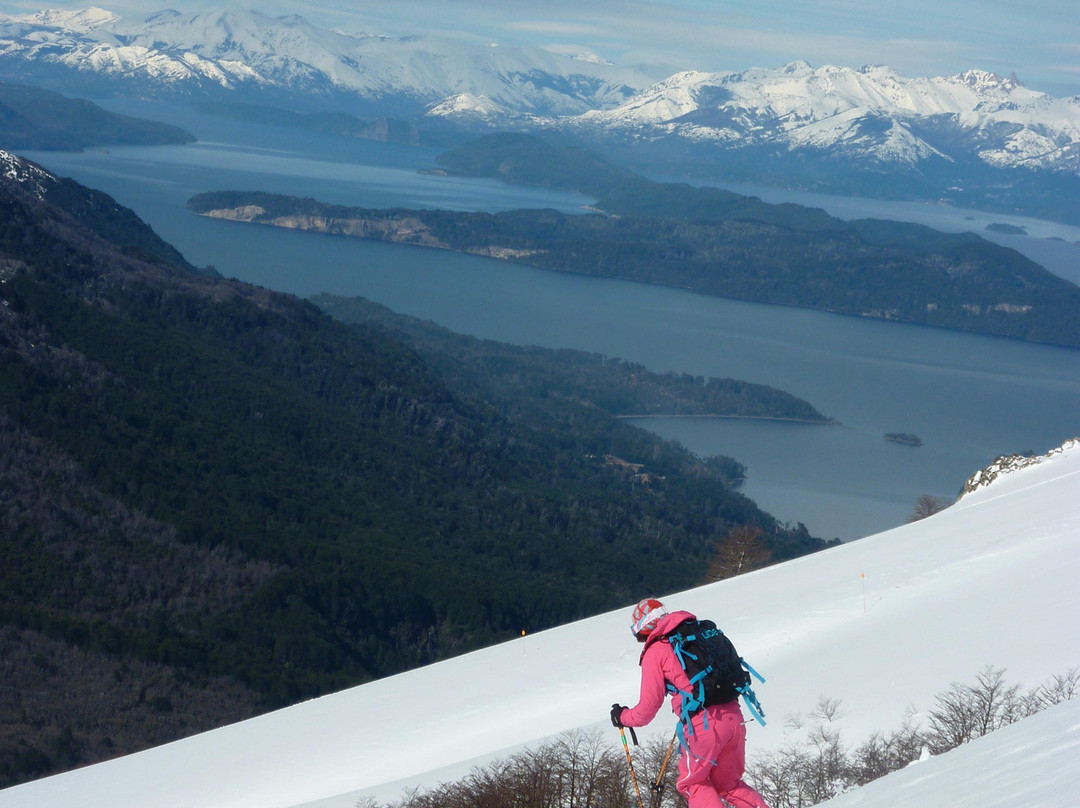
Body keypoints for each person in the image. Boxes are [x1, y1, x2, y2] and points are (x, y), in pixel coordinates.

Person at [610, 598, 770, 808]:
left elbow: (646, 711)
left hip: (703, 726)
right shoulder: (697, 634)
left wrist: (622, 717)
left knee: (692, 784)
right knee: (729, 784)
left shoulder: (656, 651)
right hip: (734, 717)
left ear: (642, 629)